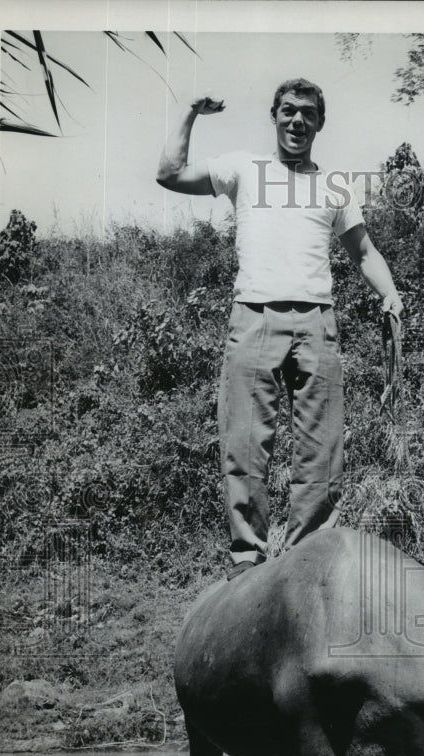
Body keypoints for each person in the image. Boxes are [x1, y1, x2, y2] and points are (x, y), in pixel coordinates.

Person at [157, 79, 403, 577]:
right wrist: (190, 111)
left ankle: (306, 564)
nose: (297, 121)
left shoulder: (334, 185)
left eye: (307, 113)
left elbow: (364, 251)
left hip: (318, 322)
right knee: (244, 445)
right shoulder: (245, 168)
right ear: (274, 116)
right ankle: (249, 563)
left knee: (322, 453)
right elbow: (169, 173)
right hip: (253, 318)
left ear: (319, 122)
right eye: (288, 111)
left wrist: (389, 292)